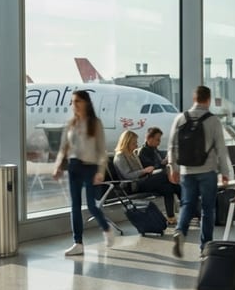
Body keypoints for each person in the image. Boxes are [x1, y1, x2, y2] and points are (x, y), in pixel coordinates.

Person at [167, 85, 232, 258]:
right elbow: (221, 148)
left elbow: (172, 145)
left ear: (194, 98)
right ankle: (205, 247)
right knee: (208, 209)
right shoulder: (213, 120)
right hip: (207, 171)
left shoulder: (180, 118)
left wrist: (173, 167)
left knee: (187, 204)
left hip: (187, 171)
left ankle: (181, 230)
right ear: (208, 100)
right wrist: (225, 172)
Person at [52, 90, 115, 256]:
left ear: (86, 103)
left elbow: (102, 151)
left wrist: (101, 171)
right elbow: (63, 148)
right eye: (73, 102)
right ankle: (78, 242)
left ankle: (106, 229)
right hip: (74, 166)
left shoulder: (95, 123)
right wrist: (58, 165)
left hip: (91, 167)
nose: (75, 105)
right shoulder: (71, 124)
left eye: (78, 101)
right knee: (75, 206)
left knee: (92, 206)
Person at [113, 130, 181, 224]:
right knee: (165, 174)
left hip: (142, 181)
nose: (136, 145)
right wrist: (144, 171)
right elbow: (127, 175)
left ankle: (171, 217)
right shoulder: (120, 156)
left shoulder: (132, 154)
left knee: (168, 188)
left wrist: (148, 172)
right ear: (127, 142)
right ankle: (189, 207)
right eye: (134, 143)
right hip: (133, 185)